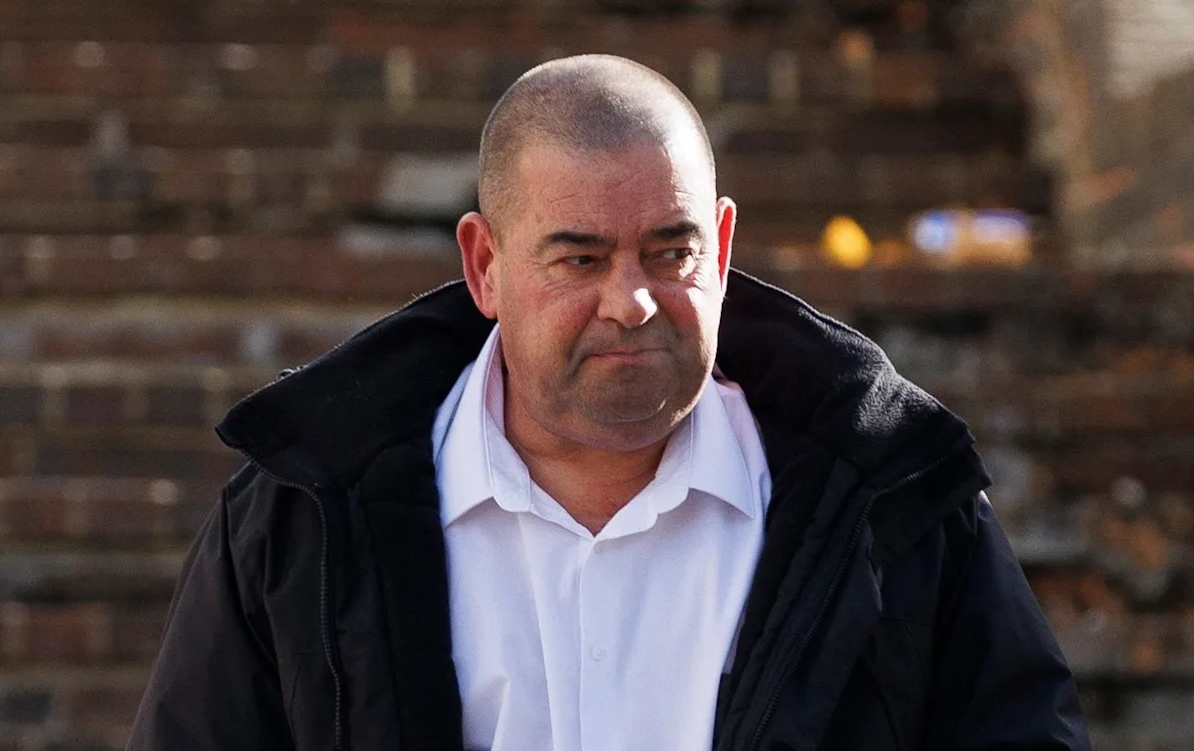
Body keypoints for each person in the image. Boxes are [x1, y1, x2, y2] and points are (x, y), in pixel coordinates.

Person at [127, 55, 1090, 750]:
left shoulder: (893, 505)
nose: (631, 301)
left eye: (670, 253)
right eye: (580, 257)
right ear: (484, 266)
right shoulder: (302, 516)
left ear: (720, 244)